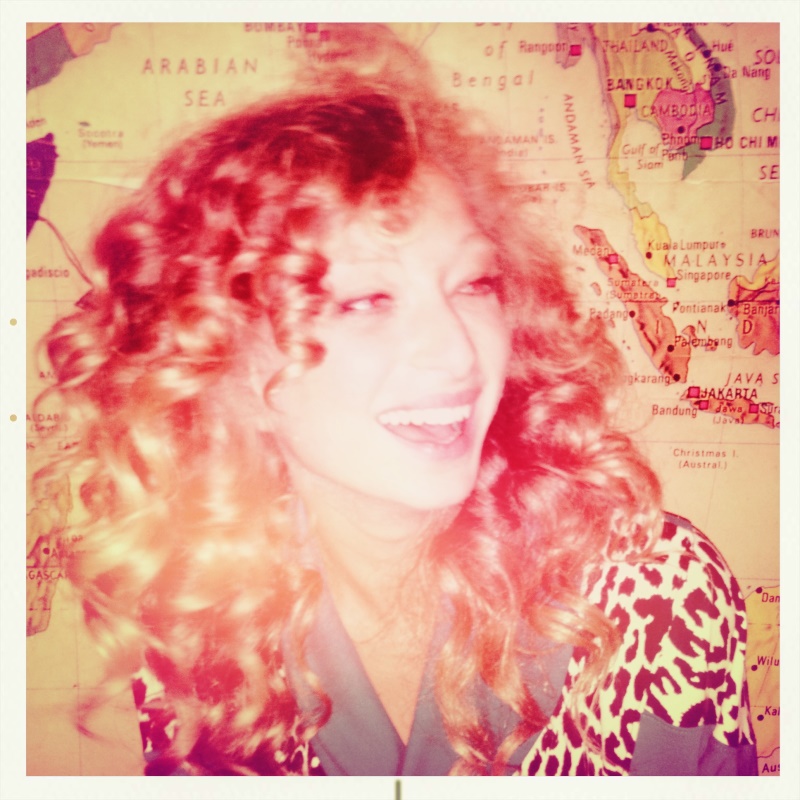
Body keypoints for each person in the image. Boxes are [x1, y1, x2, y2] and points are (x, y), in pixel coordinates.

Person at [31, 44, 757, 777]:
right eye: (365, 301)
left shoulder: (656, 590)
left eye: (474, 284)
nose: (458, 354)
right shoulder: (194, 617)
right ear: (221, 364)